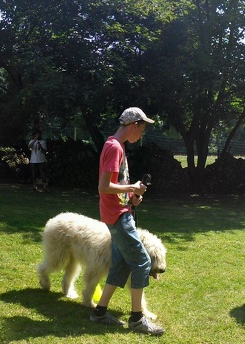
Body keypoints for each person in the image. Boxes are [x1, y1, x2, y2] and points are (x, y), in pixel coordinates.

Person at [90, 107, 165, 336]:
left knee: (121, 264)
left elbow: (114, 186)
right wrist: (131, 188)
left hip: (120, 211)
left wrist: (131, 198)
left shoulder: (117, 146)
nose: (141, 136)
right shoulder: (114, 147)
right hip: (118, 217)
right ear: (133, 125)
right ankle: (136, 320)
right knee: (142, 262)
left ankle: (100, 313)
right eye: (141, 130)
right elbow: (103, 187)